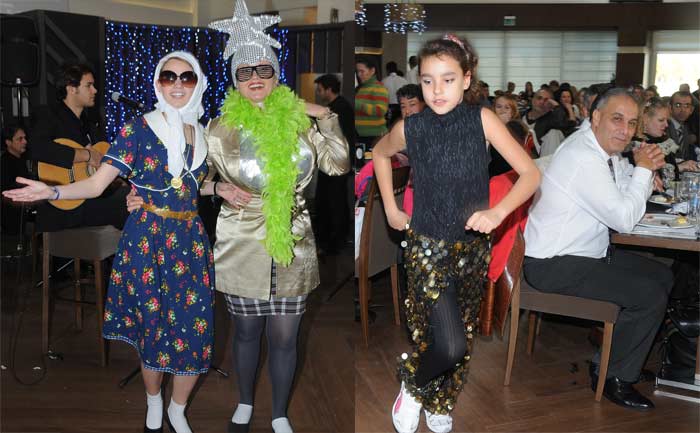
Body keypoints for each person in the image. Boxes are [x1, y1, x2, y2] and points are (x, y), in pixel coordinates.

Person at [5, 51, 215, 433]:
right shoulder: (139, 129)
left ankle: (178, 409)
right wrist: (52, 192)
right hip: (148, 241)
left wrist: (221, 188)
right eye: (168, 77)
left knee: (195, 330)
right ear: (158, 84)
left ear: (197, 83)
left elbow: (188, 184)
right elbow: (97, 184)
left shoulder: (203, 134)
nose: (177, 84)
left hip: (190, 242)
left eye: (186, 77)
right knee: (153, 330)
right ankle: (154, 401)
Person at [373, 34, 540, 433]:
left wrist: (498, 212)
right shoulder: (411, 127)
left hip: (472, 250)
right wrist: (392, 209)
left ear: (466, 80)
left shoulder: (482, 119)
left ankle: (441, 400)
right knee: (450, 343)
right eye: (427, 80)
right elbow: (380, 154)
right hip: (426, 246)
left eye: (448, 80)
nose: (437, 90)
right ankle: (414, 385)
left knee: (459, 332)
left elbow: (531, 174)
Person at [208, 2, 349, 432]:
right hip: (240, 239)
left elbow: (339, 165)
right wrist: (216, 188)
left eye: (263, 69)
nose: (254, 78)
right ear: (235, 79)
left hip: (293, 238)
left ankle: (280, 412)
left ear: (275, 74)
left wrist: (324, 115)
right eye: (245, 71)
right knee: (246, 332)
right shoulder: (218, 128)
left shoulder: (302, 123)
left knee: (286, 336)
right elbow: (193, 179)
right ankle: (245, 402)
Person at [523, 88, 672, 411]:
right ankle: (615, 377)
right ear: (595, 117)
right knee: (649, 295)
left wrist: (642, 173)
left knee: (663, 275)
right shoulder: (583, 157)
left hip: (584, 254)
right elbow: (624, 219)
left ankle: (617, 358)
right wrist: (644, 171)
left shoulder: (601, 150)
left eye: (631, 123)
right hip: (552, 264)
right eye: (617, 119)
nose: (625, 130)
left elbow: (619, 194)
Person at [29, 62, 129, 232]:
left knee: (132, 197)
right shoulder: (48, 115)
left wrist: (118, 179)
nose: (95, 91)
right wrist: (86, 155)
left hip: (88, 200)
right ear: (71, 88)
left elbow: (103, 162)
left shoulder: (91, 125)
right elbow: (37, 148)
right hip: (61, 206)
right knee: (125, 201)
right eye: (89, 85)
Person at [313, 73, 354, 253]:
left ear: (329, 89)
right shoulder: (341, 105)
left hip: (336, 162)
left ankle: (333, 243)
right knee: (336, 201)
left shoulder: (336, 109)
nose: (318, 93)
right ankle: (336, 241)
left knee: (332, 203)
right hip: (337, 161)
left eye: (320, 90)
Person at [1, 125, 31, 234]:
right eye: (20, 139)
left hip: (22, 214)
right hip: (11, 219)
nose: (25, 141)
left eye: (25, 138)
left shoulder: (21, 159)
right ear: (8, 142)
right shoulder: (4, 163)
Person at [355, 56, 389, 149]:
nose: (359, 74)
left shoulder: (378, 88)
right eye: (357, 71)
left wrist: (357, 104)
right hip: (361, 135)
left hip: (374, 136)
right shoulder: (361, 88)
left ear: (372, 71)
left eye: (362, 71)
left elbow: (380, 111)